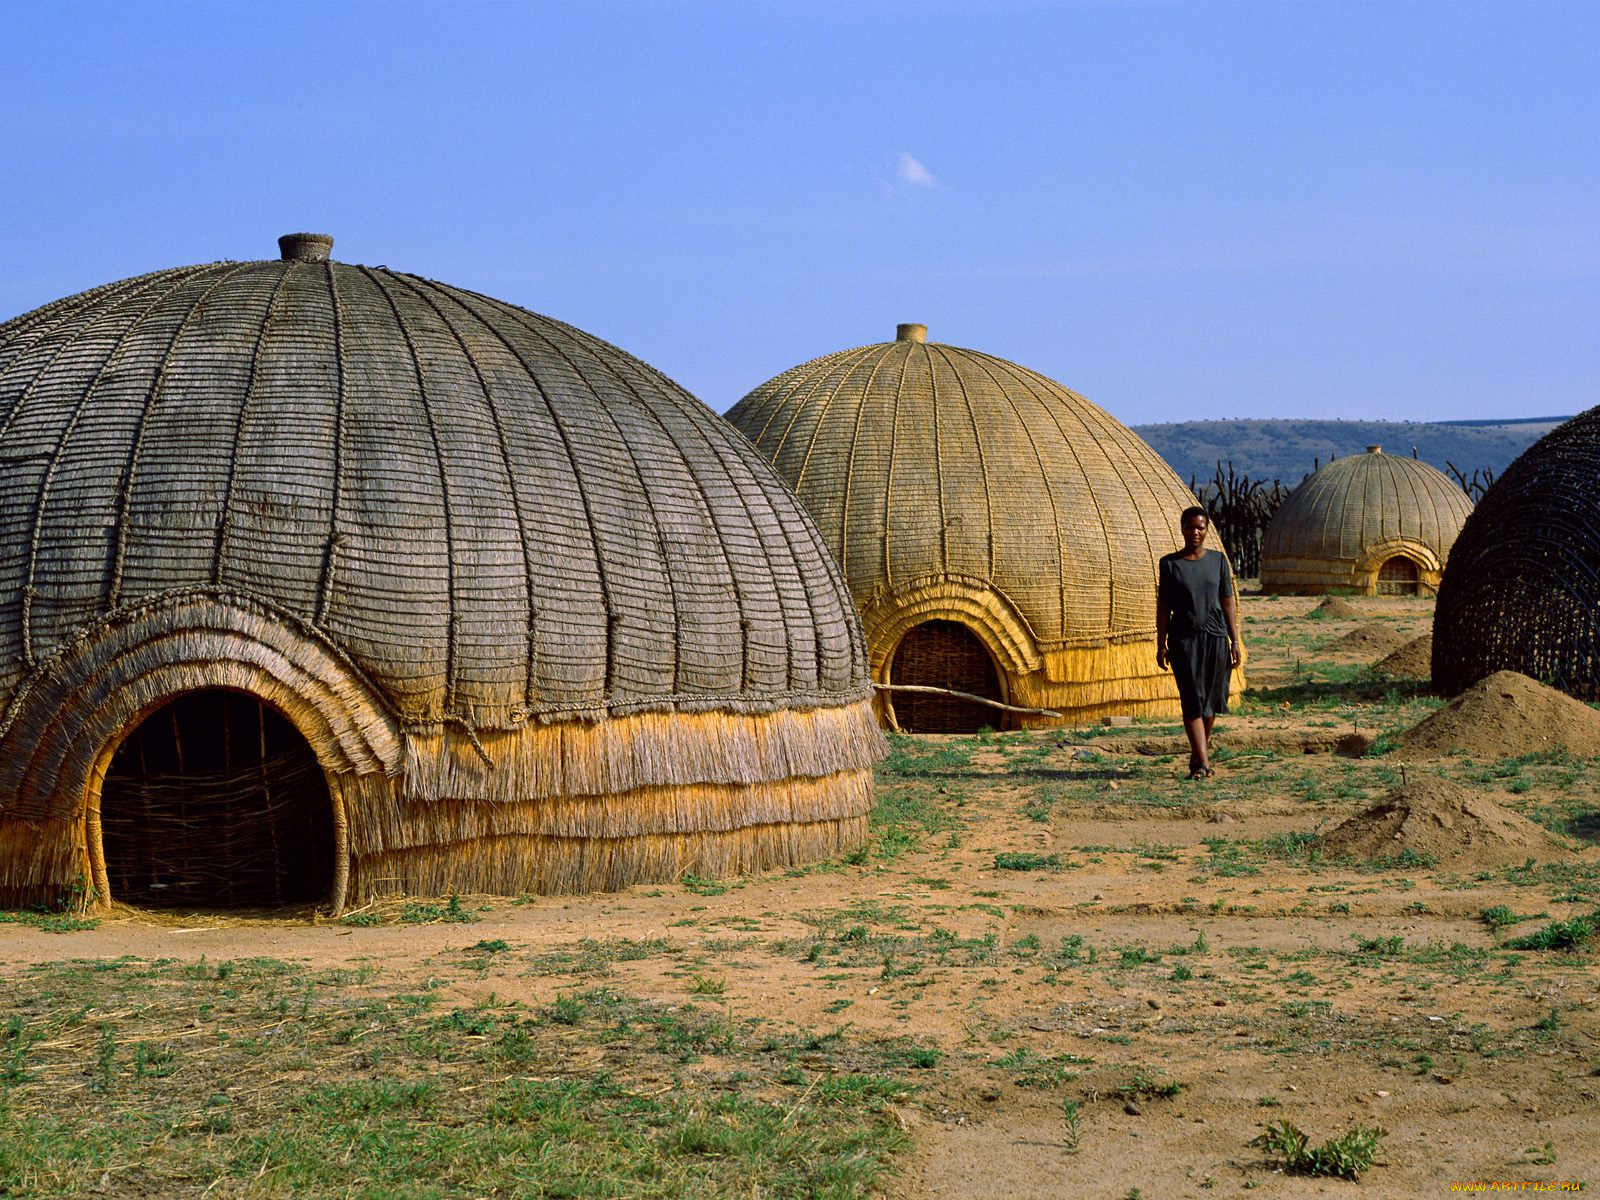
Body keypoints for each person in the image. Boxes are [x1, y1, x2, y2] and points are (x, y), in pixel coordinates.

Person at [1155, 506, 1244, 779]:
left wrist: (1235, 640)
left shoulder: (1218, 561)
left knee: (1210, 703)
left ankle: (1197, 757)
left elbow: (1227, 602)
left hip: (1216, 638)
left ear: (1207, 530)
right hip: (1184, 640)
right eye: (1190, 527)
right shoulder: (1170, 564)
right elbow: (1163, 607)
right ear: (1182, 529)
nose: (1195, 532)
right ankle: (1204, 764)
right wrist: (1161, 643)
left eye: (1200, 528)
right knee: (1192, 700)